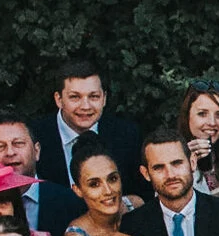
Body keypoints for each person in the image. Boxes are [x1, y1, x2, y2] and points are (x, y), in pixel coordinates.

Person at [30, 58, 144, 199]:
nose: (85, 106)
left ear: (104, 98)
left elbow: (142, 193)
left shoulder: (126, 134)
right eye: (75, 97)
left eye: (94, 97)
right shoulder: (35, 136)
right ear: (59, 99)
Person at [55, 135, 136, 236]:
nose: (108, 190)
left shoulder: (135, 206)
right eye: (94, 184)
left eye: (112, 179)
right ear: (77, 190)